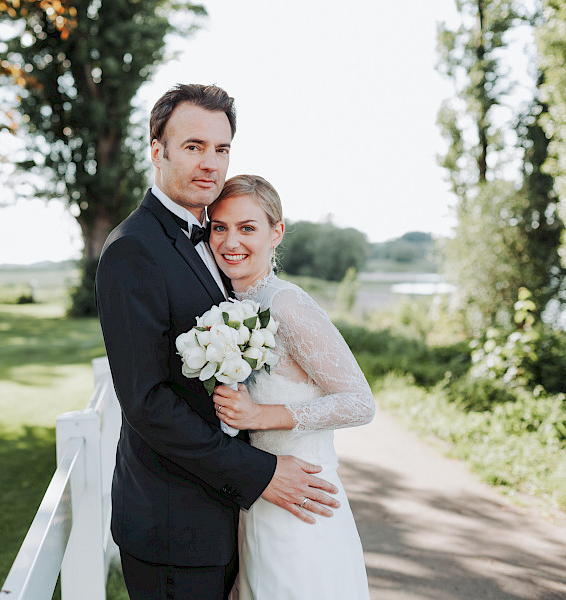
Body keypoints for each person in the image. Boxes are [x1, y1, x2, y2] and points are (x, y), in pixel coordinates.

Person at [95, 85, 342, 600]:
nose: (211, 162)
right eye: (193, 146)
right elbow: (147, 402)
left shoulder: (211, 238)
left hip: (227, 518)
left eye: (221, 148)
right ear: (157, 150)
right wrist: (261, 473)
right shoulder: (133, 251)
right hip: (173, 527)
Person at [208, 174, 375, 599]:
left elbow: (360, 402)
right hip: (257, 500)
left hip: (303, 503)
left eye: (247, 228)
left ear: (275, 232)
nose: (231, 242)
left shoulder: (287, 303)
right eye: (219, 227)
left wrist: (260, 415)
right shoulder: (233, 308)